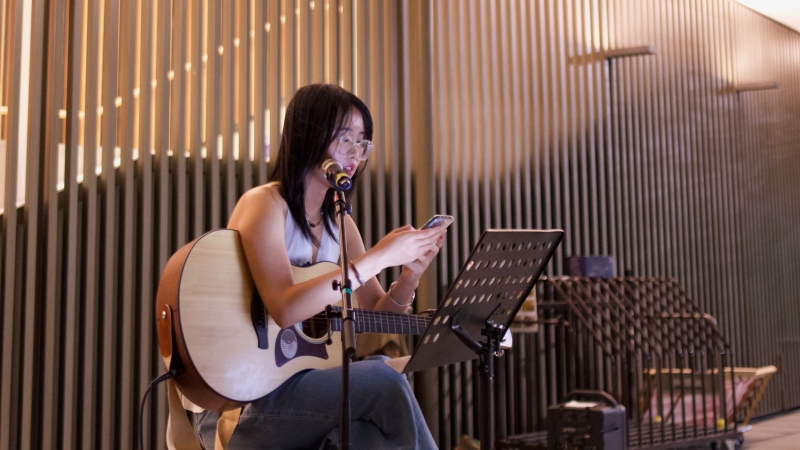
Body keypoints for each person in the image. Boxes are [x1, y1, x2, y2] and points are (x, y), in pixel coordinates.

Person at [193, 84, 445, 449]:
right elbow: (284, 306)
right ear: (307, 136)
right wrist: (376, 258)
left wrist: (411, 274)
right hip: (241, 403)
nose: (355, 154)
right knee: (385, 380)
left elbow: (375, 313)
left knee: (368, 437)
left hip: (306, 391)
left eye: (363, 142)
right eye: (345, 138)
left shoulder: (338, 224)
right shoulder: (266, 204)